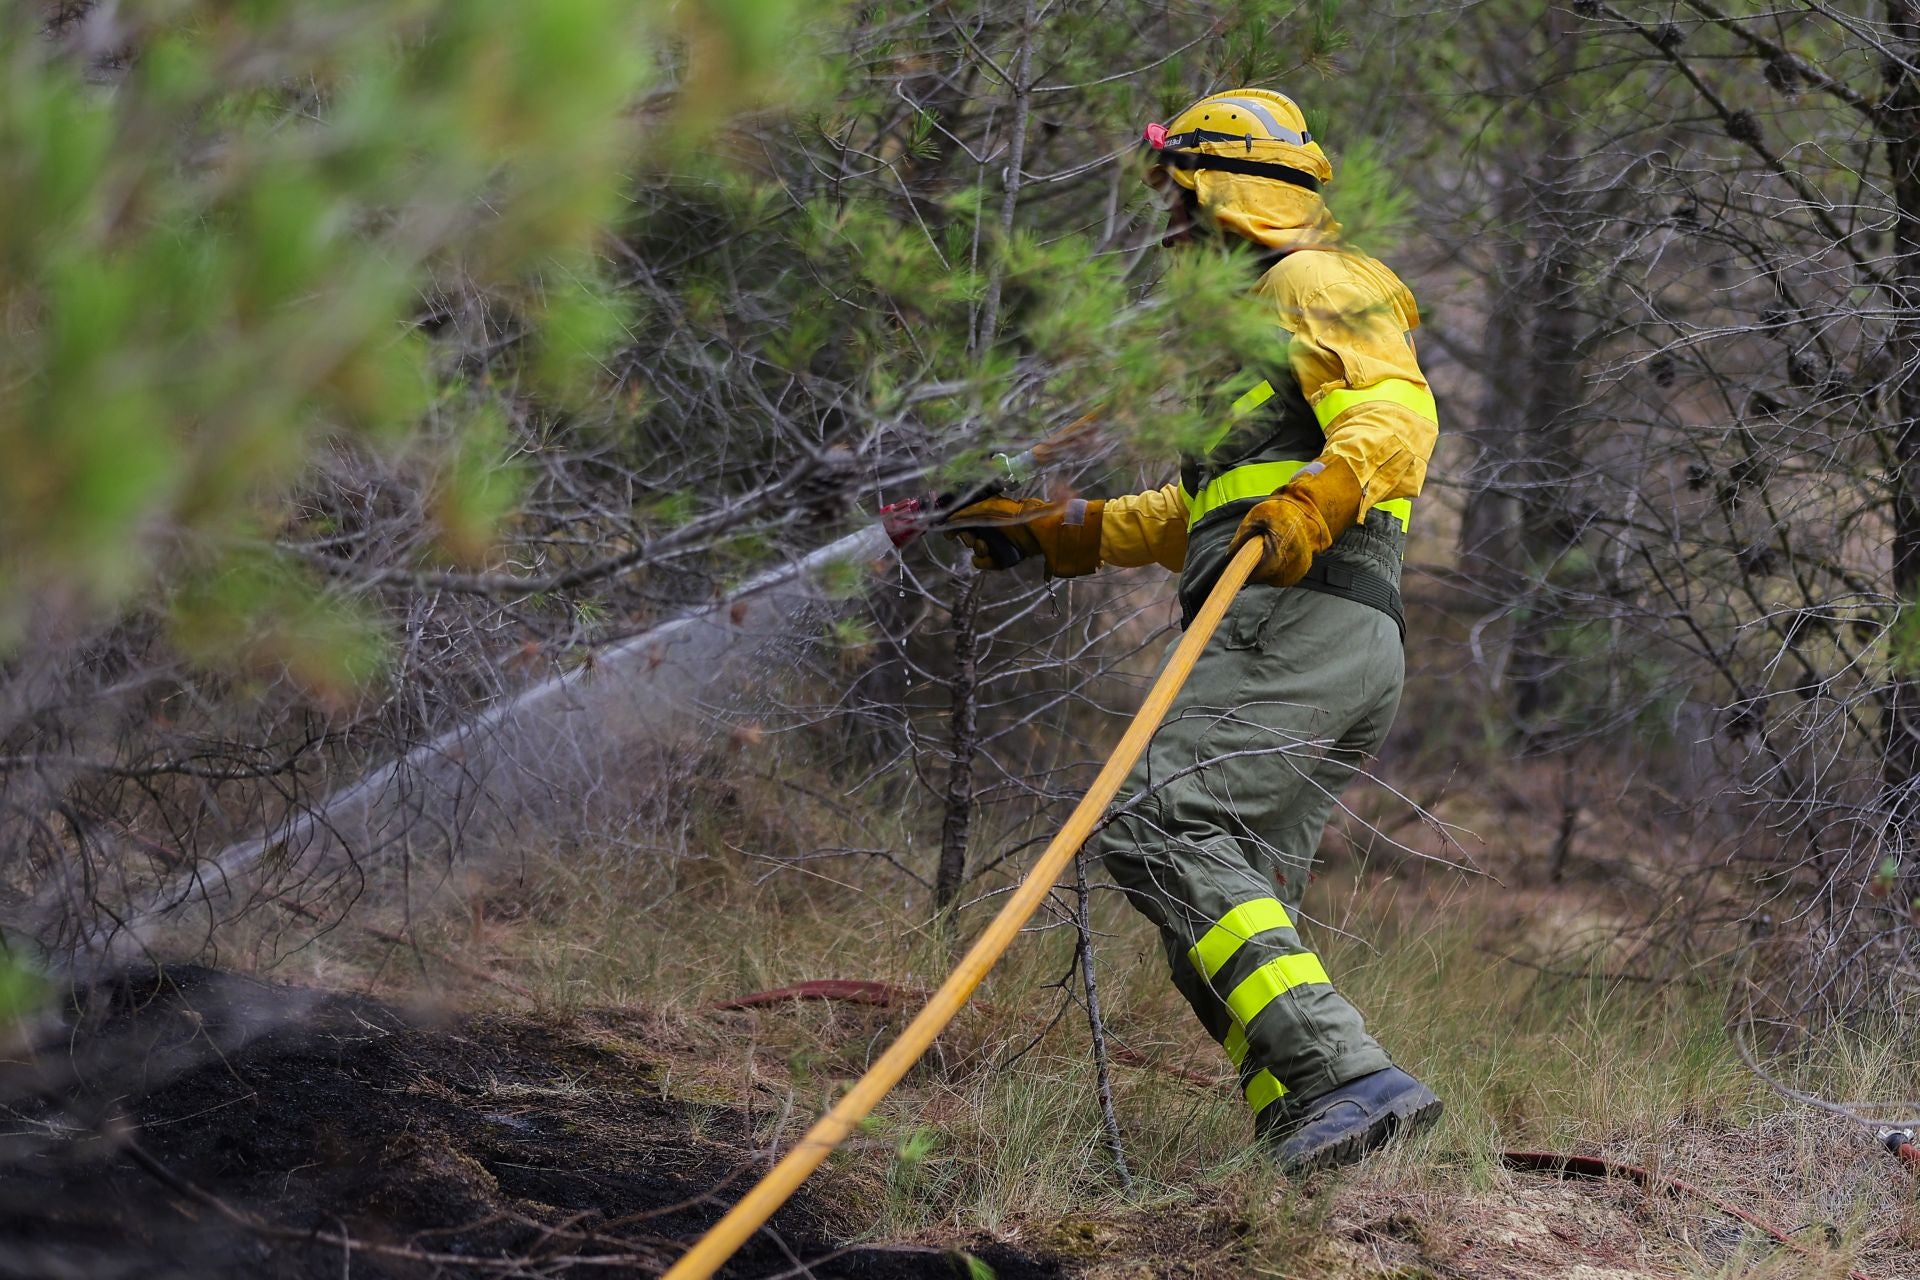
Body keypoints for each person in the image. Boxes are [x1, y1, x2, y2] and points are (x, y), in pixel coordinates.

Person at [948, 88, 1441, 1170]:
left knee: (1161, 826)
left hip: (1298, 621)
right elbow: (1203, 514)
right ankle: (1309, 1126)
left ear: (1226, 193)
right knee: (1224, 906)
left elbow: (1396, 416)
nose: (1170, 229)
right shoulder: (1255, 335)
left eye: (1177, 201)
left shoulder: (1317, 279)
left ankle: (1346, 1076)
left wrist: (1319, 501)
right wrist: (1053, 532)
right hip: (1310, 630)